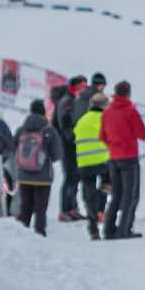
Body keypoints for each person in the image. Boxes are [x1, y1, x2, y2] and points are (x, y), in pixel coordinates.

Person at [99, 80, 145, 239]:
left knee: (116, 195)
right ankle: (124, 229)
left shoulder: (107, 111)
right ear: (128, 93)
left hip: (114, 158)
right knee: (130, 195)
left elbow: (102, 136)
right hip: (129, 157)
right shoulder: (130, 110)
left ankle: (108, 230)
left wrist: (113, 145)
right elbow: (141, 133)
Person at [13, 100, 64, 237]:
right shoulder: (49, 130)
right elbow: (57, 154)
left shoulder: (21, 129)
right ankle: (39, 234)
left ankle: (22, 234)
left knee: (25, 206)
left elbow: (13, 147)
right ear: (43, 112)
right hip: (43, 177)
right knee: (40, 209)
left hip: (24, 175)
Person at [73, 92, 112, 240]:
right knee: (108, 184)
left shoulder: (82, 120)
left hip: (84, 163)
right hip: (103, 161)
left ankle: (93, 227)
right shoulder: (105, 119)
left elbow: (75, 137)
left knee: (88, 195)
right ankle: (100, 208)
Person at [56, 75, 87, 222]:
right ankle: (65, 210)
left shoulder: (76, 101)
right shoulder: (66, 102)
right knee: (69, 177)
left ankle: (73, 208)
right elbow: (65, 124)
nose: (83, 89)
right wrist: (73, 138)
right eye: (81, 86)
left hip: (76, 145)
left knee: (75, 177)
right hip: (68, 146)